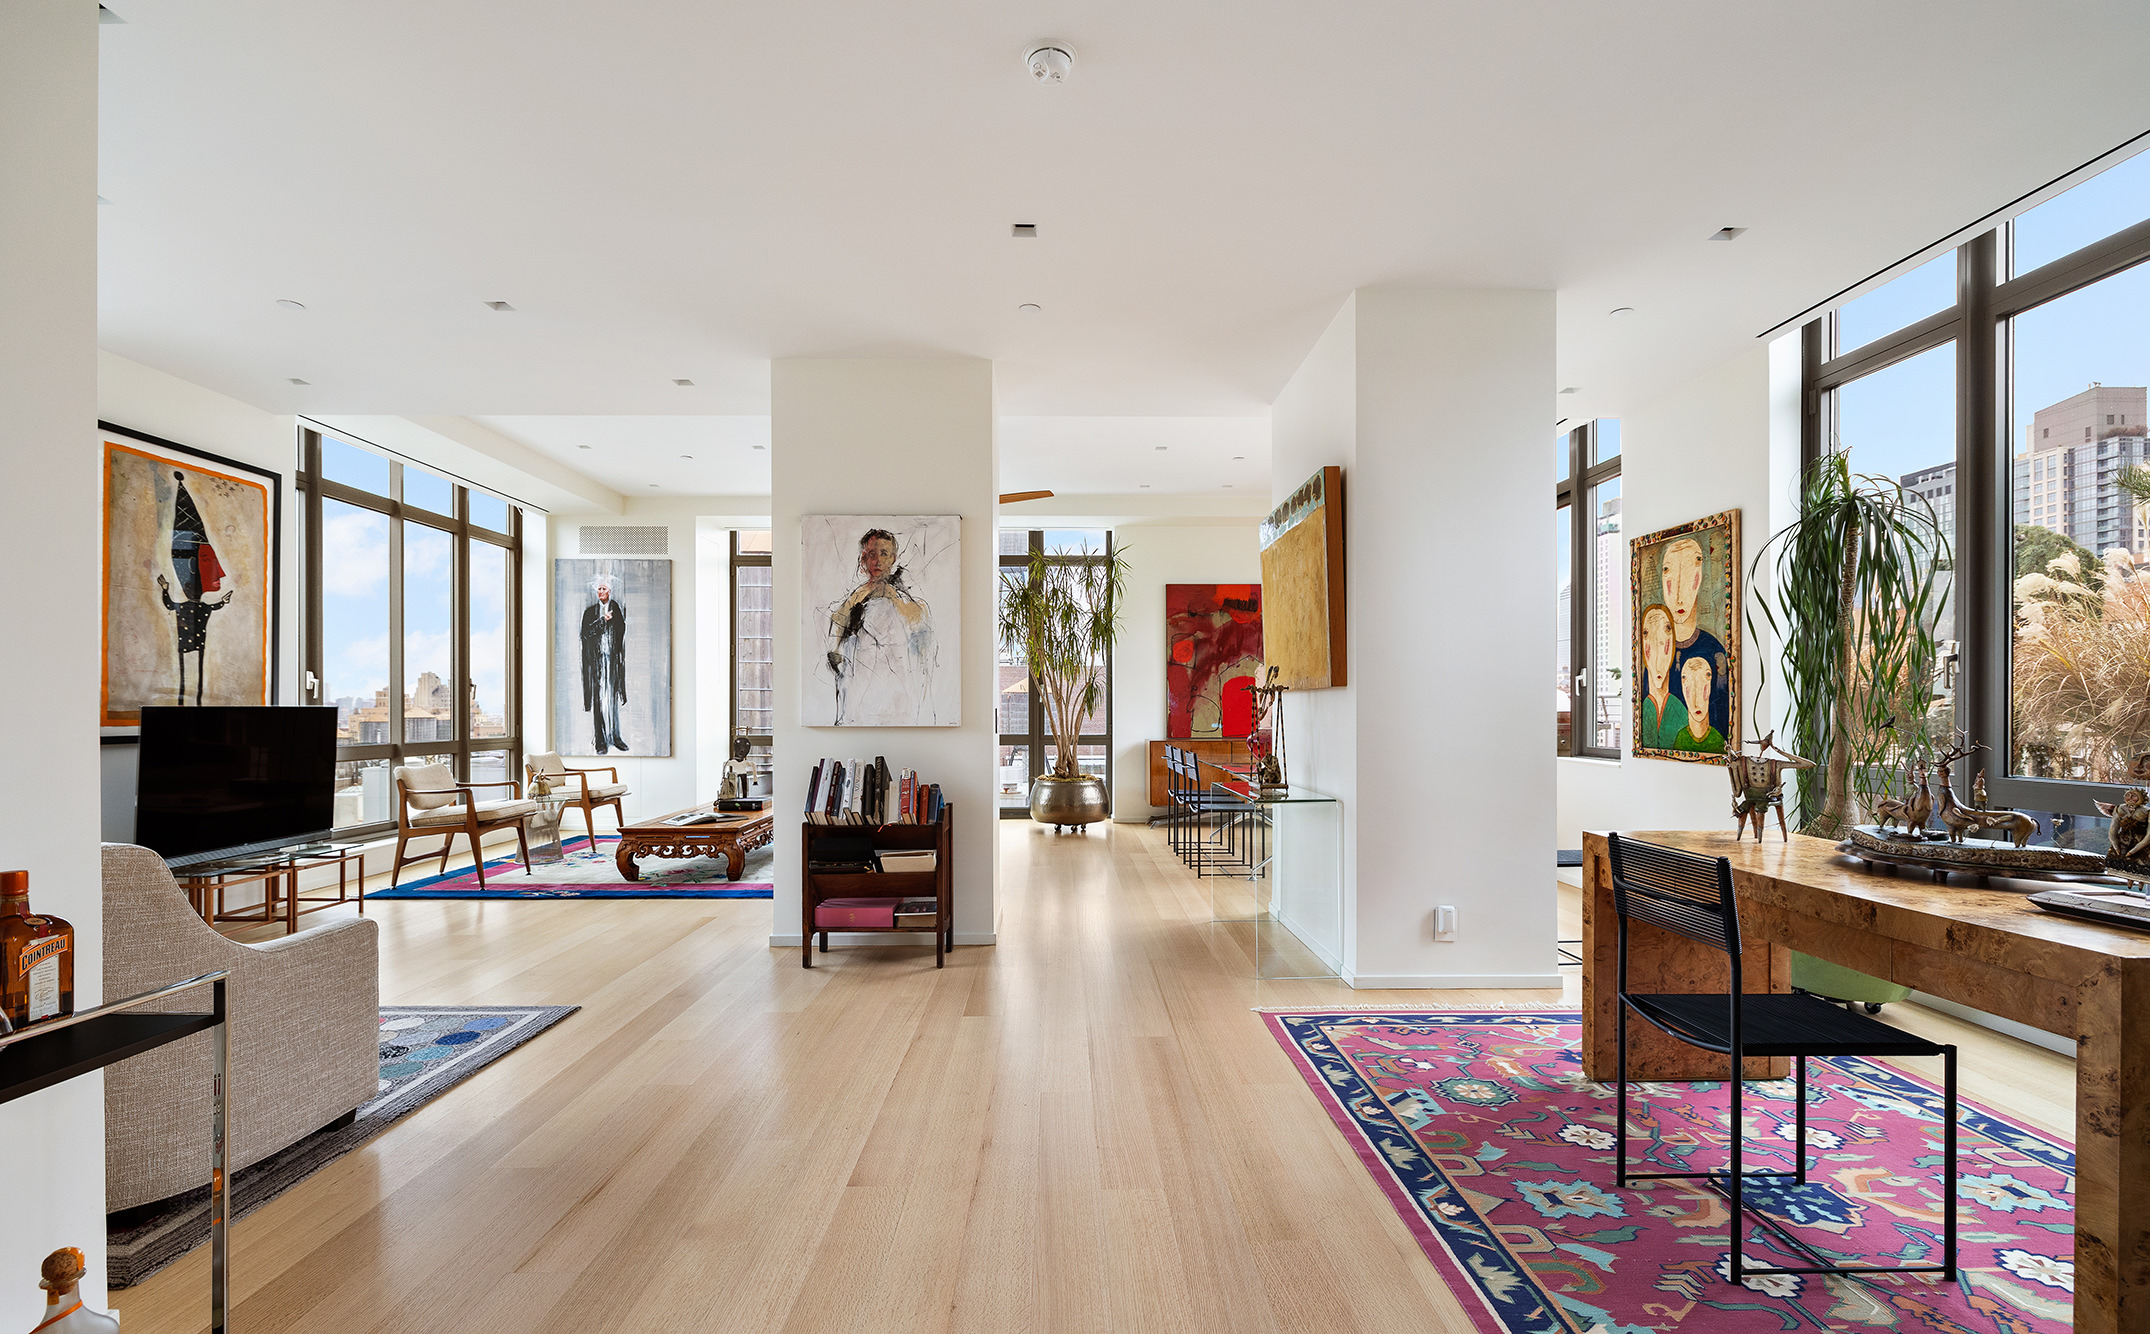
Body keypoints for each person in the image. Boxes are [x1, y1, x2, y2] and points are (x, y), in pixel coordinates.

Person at [826, 527, 936, 724]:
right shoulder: (853, 601)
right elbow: (836, 640)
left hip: (899, 697)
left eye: (884, 554)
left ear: (893, 558)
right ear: (863, 559)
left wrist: (891, 596)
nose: (877, 561)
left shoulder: (906, 600)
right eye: (871, 554)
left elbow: (919, 629)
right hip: (860, 696)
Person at [1659, 535, 1731, 737]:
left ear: (1699, 580)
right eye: (1670, 577)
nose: (1679, 595)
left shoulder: (1715, 652)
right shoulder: (1657, 663)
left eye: (1690, 576)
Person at [580, 574, 629, 753]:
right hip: (596, 662)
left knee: (612, 699)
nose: (601, 592)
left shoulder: (615, 608)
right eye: (599, 589)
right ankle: (600, 740)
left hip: (613, 661)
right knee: (599, 700)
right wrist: (603, 621)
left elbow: (621, 630)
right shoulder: (590, 612)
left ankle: (615, 737)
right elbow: (585, 634)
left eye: (604, 589)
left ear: (609, 591)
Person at [1636, 603, 1687, 750]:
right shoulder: (1641, 710)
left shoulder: (1681, 712)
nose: (1658, 659)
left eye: (1663, 647)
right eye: (1646, 635)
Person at [1673, 656, 1725, 753]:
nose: (1697, 702)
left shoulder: (1718, 741)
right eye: (1689, 689)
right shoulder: (1680, 739)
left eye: (1703, 688)